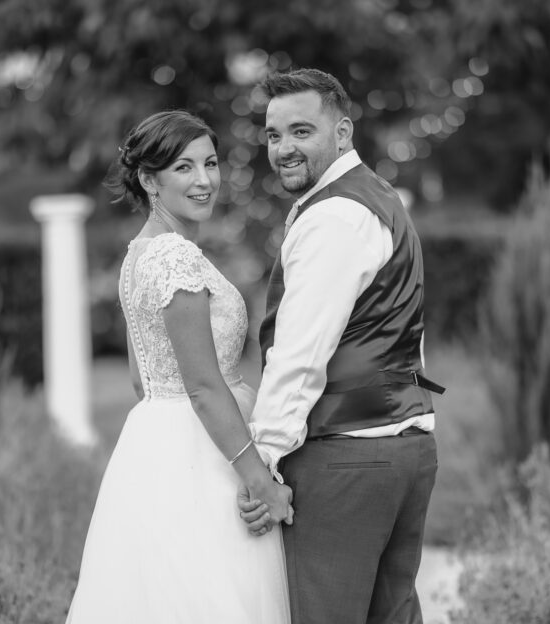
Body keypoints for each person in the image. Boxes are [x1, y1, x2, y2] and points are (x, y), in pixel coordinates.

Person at [65, 110, 292, 623]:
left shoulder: (139, 254)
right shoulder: (175, 259)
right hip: (207, 451)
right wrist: (261, 482)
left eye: (210, 164)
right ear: (149, 180)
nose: (205, 180)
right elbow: (206, 388)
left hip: (154, 447)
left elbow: (139, 377)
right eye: (184, 168)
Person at [238, 69, 445, 624]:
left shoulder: (333, 216)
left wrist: (263, 465)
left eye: (301, 131)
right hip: (407, 448)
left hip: (347, 461)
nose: (283, 148)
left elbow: (299, 355)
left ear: (343, 131)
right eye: (274, 134)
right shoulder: (378, 197)